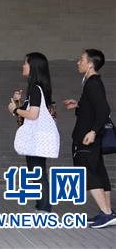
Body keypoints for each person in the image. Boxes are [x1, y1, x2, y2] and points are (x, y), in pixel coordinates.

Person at [63, 49, 114, 229]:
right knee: (98, 172)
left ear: (90, 64)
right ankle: (107, 212)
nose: (78, 62)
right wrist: (79, 105)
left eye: (81, 59)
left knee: (86, 173)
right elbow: (94, 108)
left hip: (86, 138)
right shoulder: (93, 83)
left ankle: (106, 214)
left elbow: (104, 110)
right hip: (91, 138)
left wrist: (93, 131)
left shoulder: (93, 83)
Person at [7, 52, 57, 214]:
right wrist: (17, 104)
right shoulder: (39, 89)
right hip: (37, 137)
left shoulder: (36, 89)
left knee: (38, 171)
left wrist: (14, 110)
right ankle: (42, 206)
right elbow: (26, 114)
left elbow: (33, 114)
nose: (23, 66)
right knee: (37, 171)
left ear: (33, 67)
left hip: (36, 138)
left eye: (26, 63)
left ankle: (44, 209)